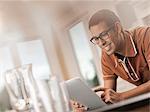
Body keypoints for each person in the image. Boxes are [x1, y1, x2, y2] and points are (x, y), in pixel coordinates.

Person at [71, 9, 150, 112]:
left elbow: (119, 97)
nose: (101, 43)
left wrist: (122, 96)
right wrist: (88, 105)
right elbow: (109, 96)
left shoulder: (145, 35)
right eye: (96, 39)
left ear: (117, 28)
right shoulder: (106, 57)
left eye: (104, 34)